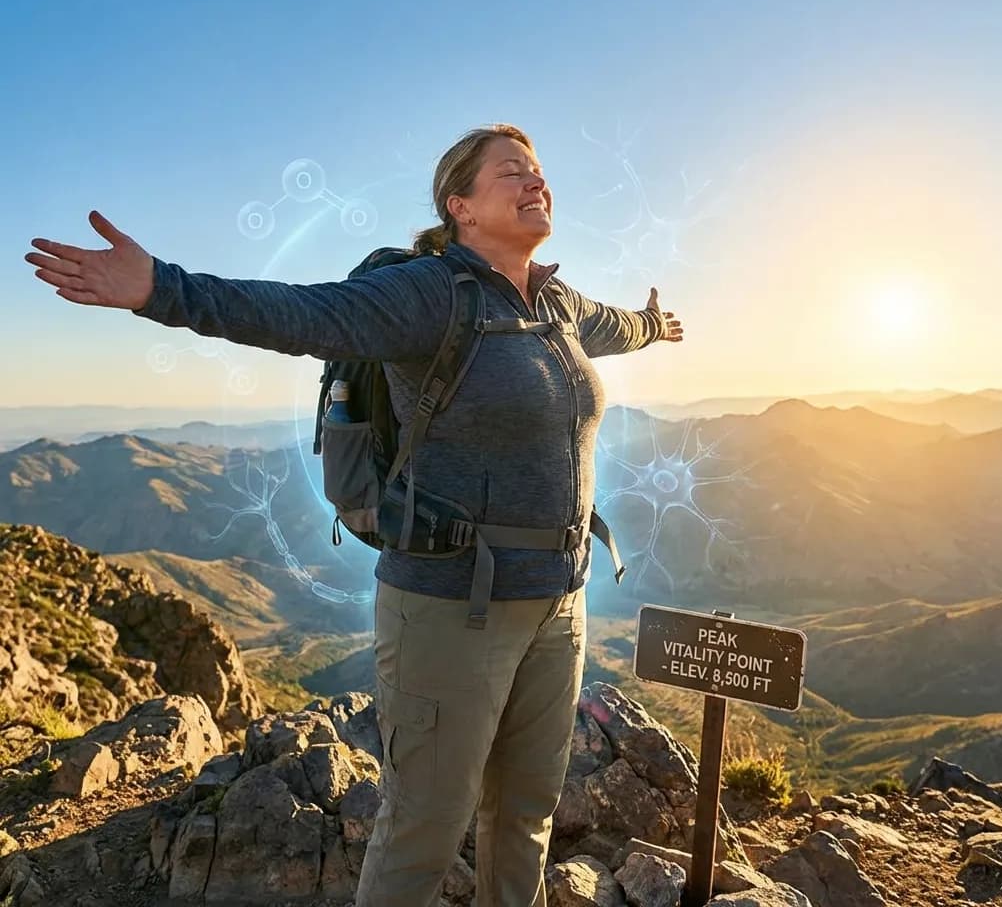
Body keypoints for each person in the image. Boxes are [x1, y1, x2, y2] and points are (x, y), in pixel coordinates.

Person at [25, 123, 684, 906]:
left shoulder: (560, 304)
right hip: (451, 606)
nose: (536, 182)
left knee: (528, 814)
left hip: (558, 604)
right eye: (512, 173)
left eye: (539, 172)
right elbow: (304, 315)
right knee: (425, 829)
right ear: (461, 207)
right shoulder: (428, 294)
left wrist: (654, 324)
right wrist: (161, 289)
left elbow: (620, 326)